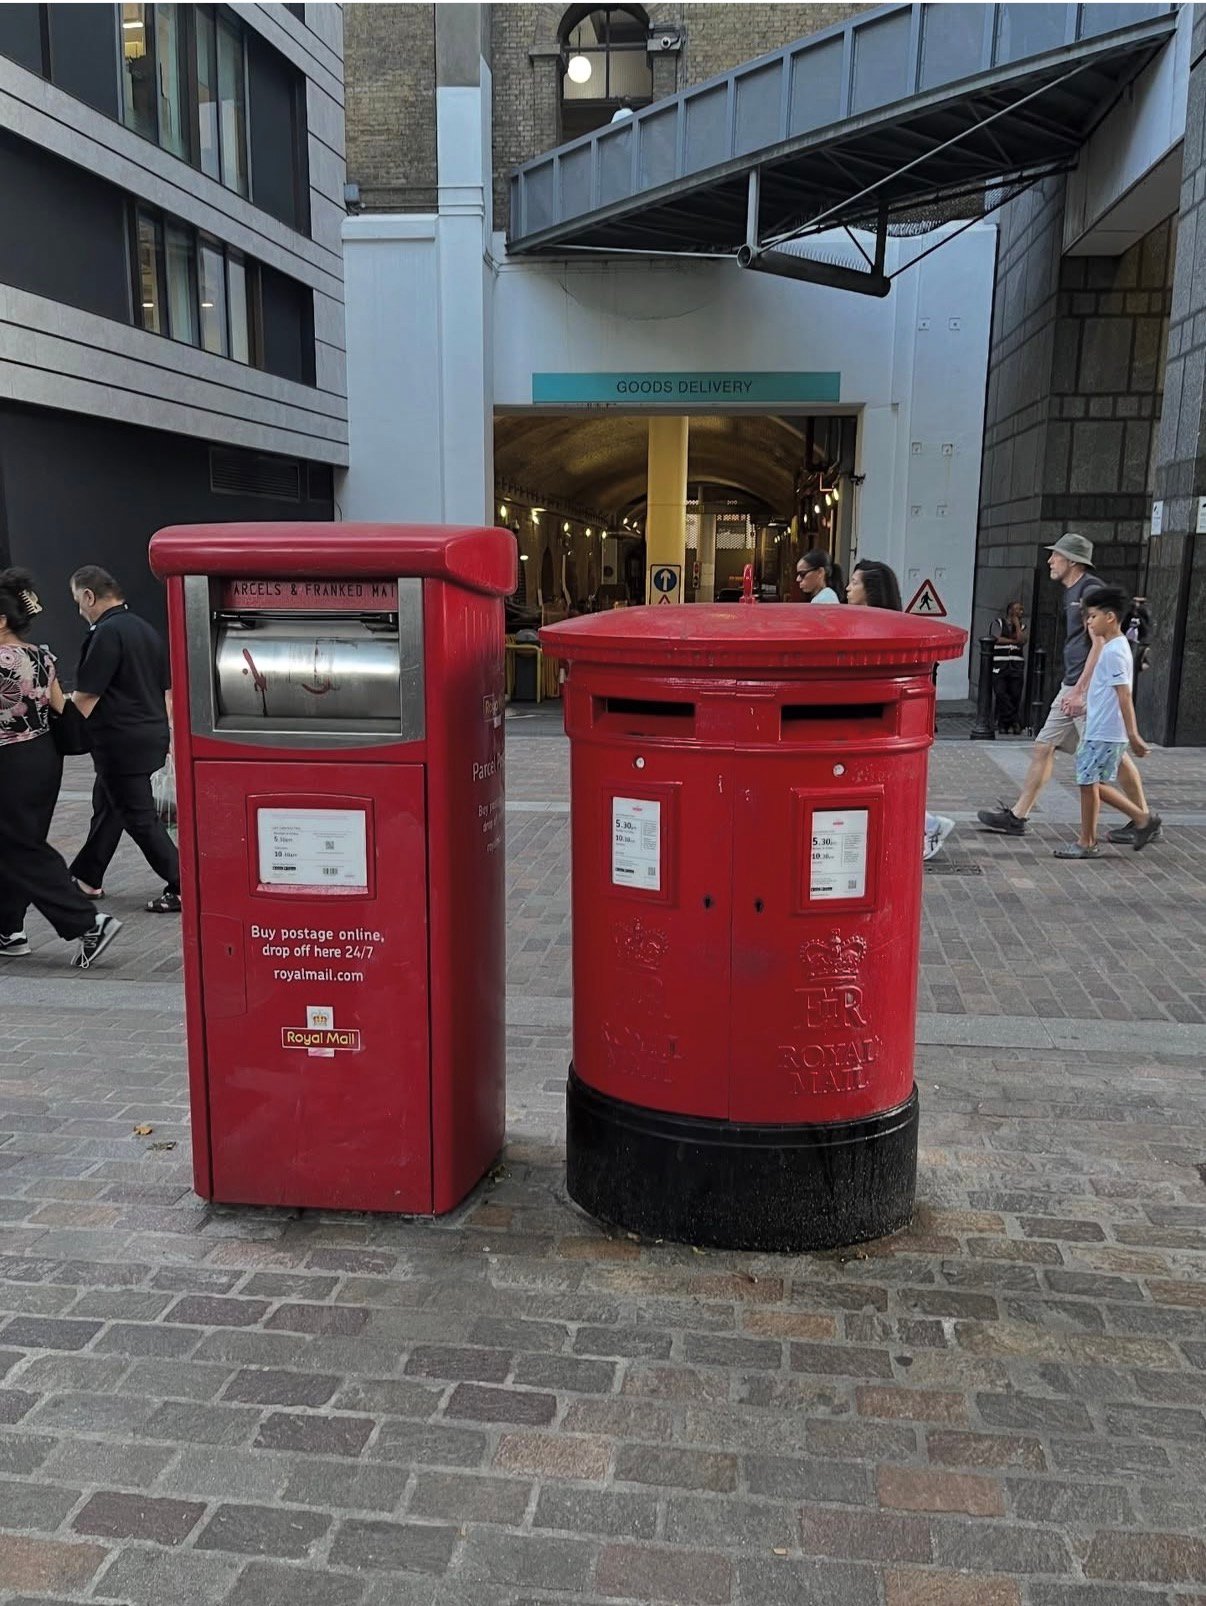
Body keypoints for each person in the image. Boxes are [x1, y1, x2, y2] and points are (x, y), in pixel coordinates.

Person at [977, 534, 1158, 844]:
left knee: (1112, 756)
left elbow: (1101, 643)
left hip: (1085, 689)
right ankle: (1018, 817)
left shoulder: (1090, 590)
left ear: (1072, 560)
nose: (1050, 561)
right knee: (1043, 745)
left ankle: (1143, 819)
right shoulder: (1071, 591)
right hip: (1072, 683)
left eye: (1056, 555)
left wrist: (1080, 690)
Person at [0, 568, 122, 967]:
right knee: (18, 842)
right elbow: (59, 706)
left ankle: (88, 922)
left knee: (21, 846)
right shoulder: (41, 656)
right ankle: (10, 930)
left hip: (9, 761)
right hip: (41, 759)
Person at [65, 566, 181, 913]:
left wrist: (59, 724)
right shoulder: (145, 630)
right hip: (149, 734)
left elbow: (86, 696)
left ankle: (184, 884)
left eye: (77, 601)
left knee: (138, 816)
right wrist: (169, 736)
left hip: (120, 742)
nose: (79, 610)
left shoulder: (105, 632)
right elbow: (167, 693)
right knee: (108, 805)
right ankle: (87, 875)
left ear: (89, 596)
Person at [846, 558, 954, 861]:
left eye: (855, 583)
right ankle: (927, 824)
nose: (848, 588)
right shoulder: (878, 624)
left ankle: (927, 825)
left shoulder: (872, 627)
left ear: (872, 589)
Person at [1053, 586, 1161, 859]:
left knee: (1089, 783)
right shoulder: (1115, 647)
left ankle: (1134, 822)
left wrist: (1134, 735)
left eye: (1092, 616)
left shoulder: (1114, 651)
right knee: (1089, 783)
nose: (1088, 622)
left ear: (1110, 617)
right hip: (1102, 729)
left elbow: (1124, 696)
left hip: (1104, 731)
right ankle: (1092, 838)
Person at [991, 600, 1027, 734]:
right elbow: (996, 638)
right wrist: (1013, 641)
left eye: (1022, 610)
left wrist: (1017, 625)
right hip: (1000, 664)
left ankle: (1004, 725)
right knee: (1001, 693)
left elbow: (1022, 640)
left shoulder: (1022, 626)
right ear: (1010, 610)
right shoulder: (998, 623)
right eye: (1018, 609)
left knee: (1015, 695)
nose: (1021, 612)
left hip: (1016, 665)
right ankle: (1015, 720)